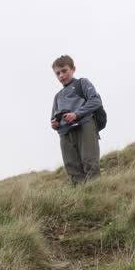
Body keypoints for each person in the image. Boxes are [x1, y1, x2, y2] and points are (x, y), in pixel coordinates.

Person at [49, 55, 104, 185]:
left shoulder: (82, 83)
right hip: (65, 133)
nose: (61, 75)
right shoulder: (57, 96)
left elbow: (95, 101)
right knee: (71, 167)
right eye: (58, 73)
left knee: (90, 162)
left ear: (73, 69)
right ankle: (81, 194)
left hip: (85, 125)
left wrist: (76, 114)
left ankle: (97, 191)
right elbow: (53, 119)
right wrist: (55, 124)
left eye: (64, 71)